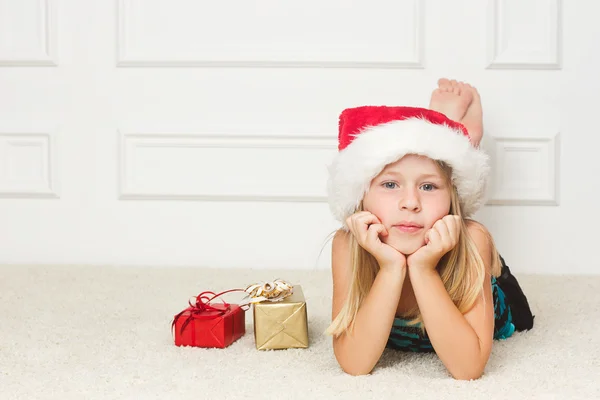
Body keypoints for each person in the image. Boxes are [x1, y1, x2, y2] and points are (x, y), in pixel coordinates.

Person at [325, 78, 534, 380]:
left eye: (428, 186)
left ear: (451, 197)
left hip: (497, 295)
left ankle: (459, 140)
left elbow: (468, 369)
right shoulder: (348, 244)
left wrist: (423, 269)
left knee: (508, 293)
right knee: (428, 162)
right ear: (361, 196)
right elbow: (355, 364)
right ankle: (451, 136)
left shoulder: (472, 239)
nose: (410, 203)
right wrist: (391, 267)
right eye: (390, 184)